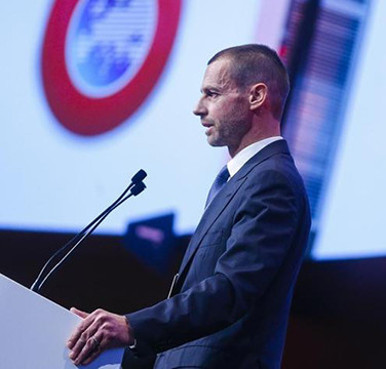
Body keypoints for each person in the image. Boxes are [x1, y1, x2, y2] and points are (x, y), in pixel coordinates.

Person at [66, 44, 311, 369]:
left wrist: (131, 326)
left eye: (212, 93)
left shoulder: (272, 182)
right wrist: (114, 342)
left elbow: (230, 291)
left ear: (256, 96)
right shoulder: (235, 180)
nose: (198, 108)